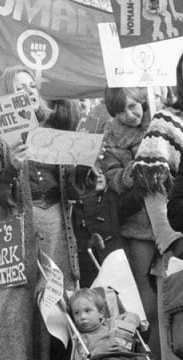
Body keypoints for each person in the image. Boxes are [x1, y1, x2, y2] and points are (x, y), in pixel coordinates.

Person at [0, 65, 78, 360]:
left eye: (31, 87)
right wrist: (11, 166)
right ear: (8, 96)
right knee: (16, 305)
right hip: (17, 225)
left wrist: (87, 173)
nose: (27, 92)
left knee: (55, 299)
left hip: (56, 225)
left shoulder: (56, 132)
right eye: (19, 88)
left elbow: (72, 191)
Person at [99, 87, 159, 358]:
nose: (130, 114)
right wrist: (136, 168)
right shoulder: (111, 136)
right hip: (138, 224)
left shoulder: (162, 120)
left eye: (134, 106)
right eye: (122, 110)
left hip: (171, 219)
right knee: (147, 295)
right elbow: (113, 179)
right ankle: (153, 351)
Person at [133, 53, 183, 360]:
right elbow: (153, 188)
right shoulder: (166, 122)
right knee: (178, 343)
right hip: (179, 253)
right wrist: (174, 242)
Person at [69, 288, 141, 360]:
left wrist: (129, 323)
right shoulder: (80, 338)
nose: (82, 317)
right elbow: (81, 358)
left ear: (101, 313)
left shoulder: (109, 323)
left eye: (87, 311)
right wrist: (99, 351)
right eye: (76, 313)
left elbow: (133, 315)